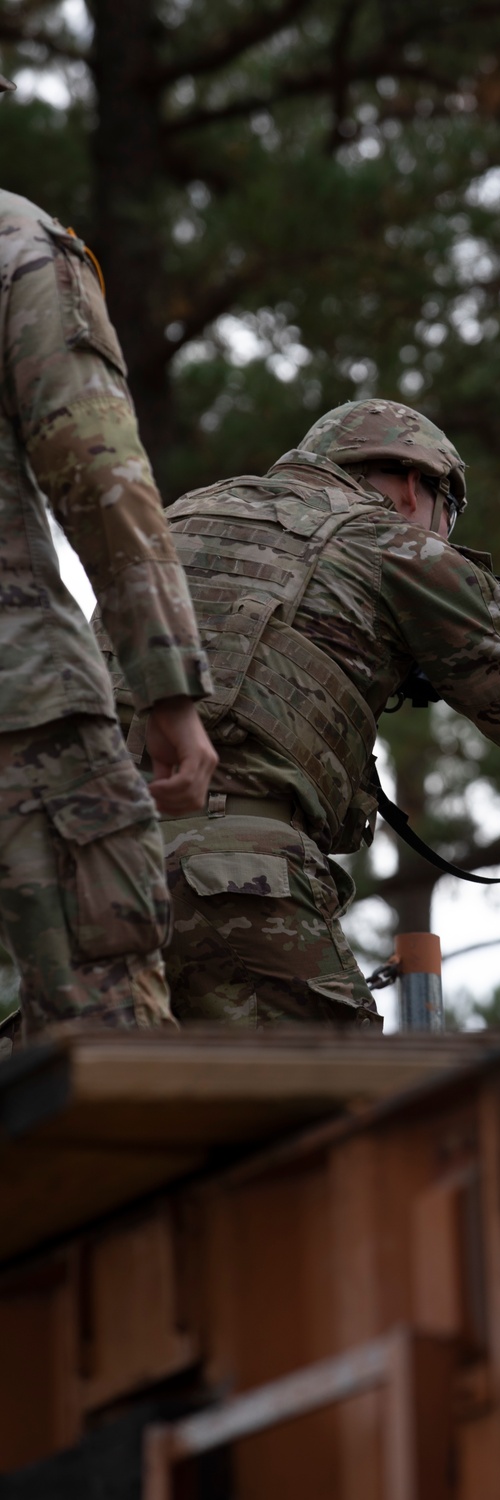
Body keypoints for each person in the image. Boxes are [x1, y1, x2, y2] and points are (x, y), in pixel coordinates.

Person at [104, 398, 500, 1028]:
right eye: (446, 512)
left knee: (87, 1111)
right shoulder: (393, 544)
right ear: (409, 485)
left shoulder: (180, 518)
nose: (443, 533)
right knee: (350, 1106)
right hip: (234, 873)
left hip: (90, 868)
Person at [0, 71, 217, 1037]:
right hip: (23, 731)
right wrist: (167, 690)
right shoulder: (16, 248)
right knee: (113, 1086)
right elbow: (98, 477)